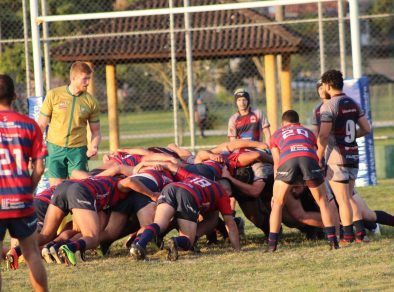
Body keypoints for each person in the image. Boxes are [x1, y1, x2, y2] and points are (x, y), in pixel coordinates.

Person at [129, 163, 240, 261]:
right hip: (188, 194)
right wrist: (237, 250)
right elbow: (230, 224)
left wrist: (158, 164)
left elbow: (174, 167)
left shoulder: (197, 176)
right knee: (188, 241)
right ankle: (175, 241)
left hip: (171, 187)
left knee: (159, 224)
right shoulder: (222, 194)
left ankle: (139, 244)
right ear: (228, 190)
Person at [0, 74, 48, 291]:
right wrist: (27, 189)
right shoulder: (30, 125)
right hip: (21, 198)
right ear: (14, 95)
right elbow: (39, 167)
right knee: (31, 253)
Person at [269, 110, 339, 252]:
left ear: (283, 124)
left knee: (277, 203)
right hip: (308, 158)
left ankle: (272, 246)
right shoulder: (307, 132)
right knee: (322, 202)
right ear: (298, 122)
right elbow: (314, 152)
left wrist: (279, 184)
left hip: (288, 160)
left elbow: (276, 163)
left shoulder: (277, 133)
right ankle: (333, 242)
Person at [317, 69, 371, 244]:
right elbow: (366, 128)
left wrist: (318, 156)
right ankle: (360, 234)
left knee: (342, 199)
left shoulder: (329, 105)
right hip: (353, 156)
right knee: (349, 196)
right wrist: (350, 137)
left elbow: (324, 136)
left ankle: (347, 236)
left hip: (336, 158)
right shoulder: (353, 103)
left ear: (327, 85)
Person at [38, 61, 101, 186]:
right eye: (85, 79)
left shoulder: (91, 102)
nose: (88, 82)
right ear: (73, 78)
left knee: (78, 189)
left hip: (78, 151)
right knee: (56, 189)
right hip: (55, 148)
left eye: (89, 78)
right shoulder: (53, 95)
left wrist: (94, 146)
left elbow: (96, 131)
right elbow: (41, 125)